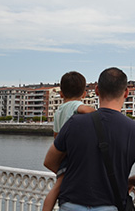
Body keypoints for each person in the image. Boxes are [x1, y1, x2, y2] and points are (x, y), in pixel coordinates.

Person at [44, 67, 135, 211]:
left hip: (71, 204)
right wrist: (130, 181)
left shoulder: (74, 123)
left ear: (97, 90)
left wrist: (75, 174)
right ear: (126, 92)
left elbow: (50, 161)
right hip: (110, 205)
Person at [42, 71, 96, 211]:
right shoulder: (75, 105)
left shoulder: (59, 111)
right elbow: (85, 110)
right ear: (84, 94)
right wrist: (98, 114)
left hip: (62, 153)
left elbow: (56, 135)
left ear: (61, 94)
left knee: (57, 187)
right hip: (72, 155)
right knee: (59, 185)